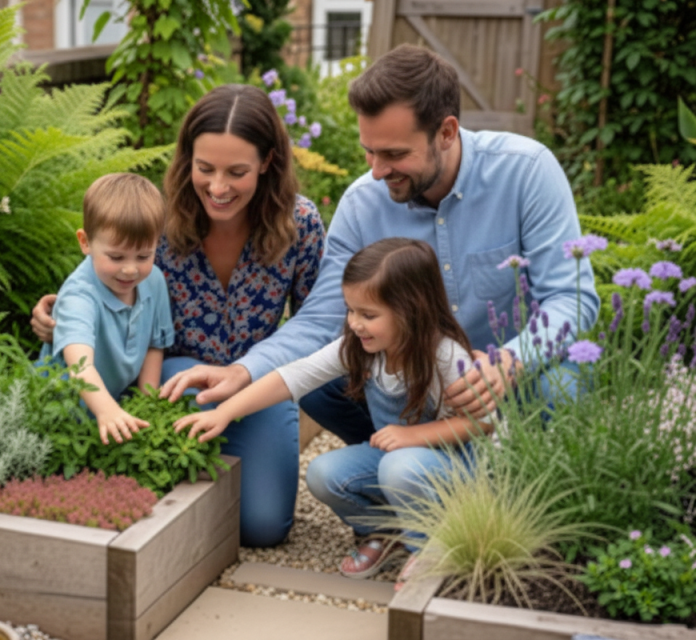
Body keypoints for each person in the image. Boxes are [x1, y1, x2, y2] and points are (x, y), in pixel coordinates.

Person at [158, 43, 599, 564]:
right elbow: (323, 322)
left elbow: (571, 299)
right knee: (323, 388)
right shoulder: (363, 203)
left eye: (393, 154)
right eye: (369, 151)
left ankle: (529, 516)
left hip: (510, 391)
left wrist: (509, 361)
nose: (375, 170)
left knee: (563, 380)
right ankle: (418, 492)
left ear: (447, 132)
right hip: (416, 396)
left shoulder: (525, 171)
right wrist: (244, 372)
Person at [32, 84, 325, 547]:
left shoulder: (299, 224)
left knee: (264, 527)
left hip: (257, 382)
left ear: (268, 162)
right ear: (187, 158)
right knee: (152, 494)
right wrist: (57, 315)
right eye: (204, 168)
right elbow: (99, 277)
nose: (218, 187)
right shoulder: (160, 222)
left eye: (237, 172)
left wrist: (252, 376)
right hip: (176, 381)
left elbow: (317, 324)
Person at [174, 238, 492, 577]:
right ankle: (389, 532)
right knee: (324, 474)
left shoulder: (444, 356)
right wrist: (225, 411)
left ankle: (431, 549)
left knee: (398, 466)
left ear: (412, 310)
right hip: (400, 458)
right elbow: (295, 375)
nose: (355, 323)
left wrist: (413, 435)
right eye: (350, 310)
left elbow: (481, 423)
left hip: (458, 470)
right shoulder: (361, 345)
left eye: (368, 315)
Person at [39, 173, 174, 446]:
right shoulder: (79, 295)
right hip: (60, 410)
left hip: (111, 404)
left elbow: (153, 346)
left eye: (144, 256)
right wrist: (107, 410)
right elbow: (80, 364)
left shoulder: (154, 281)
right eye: (116, 257)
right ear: (85, 242)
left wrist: (147, 405)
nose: (130, 269)